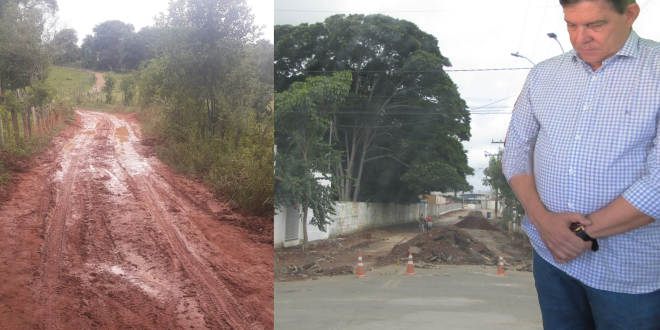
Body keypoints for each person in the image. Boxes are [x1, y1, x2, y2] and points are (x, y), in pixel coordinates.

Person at [502, 0, 660, 329]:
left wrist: (578, 234)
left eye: (595, 25)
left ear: (630, 14)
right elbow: (516, 149)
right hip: (551, 261)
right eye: (571, 25)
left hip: (631, 272)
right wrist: (541, 219)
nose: (580, 37)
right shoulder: (543, 74)